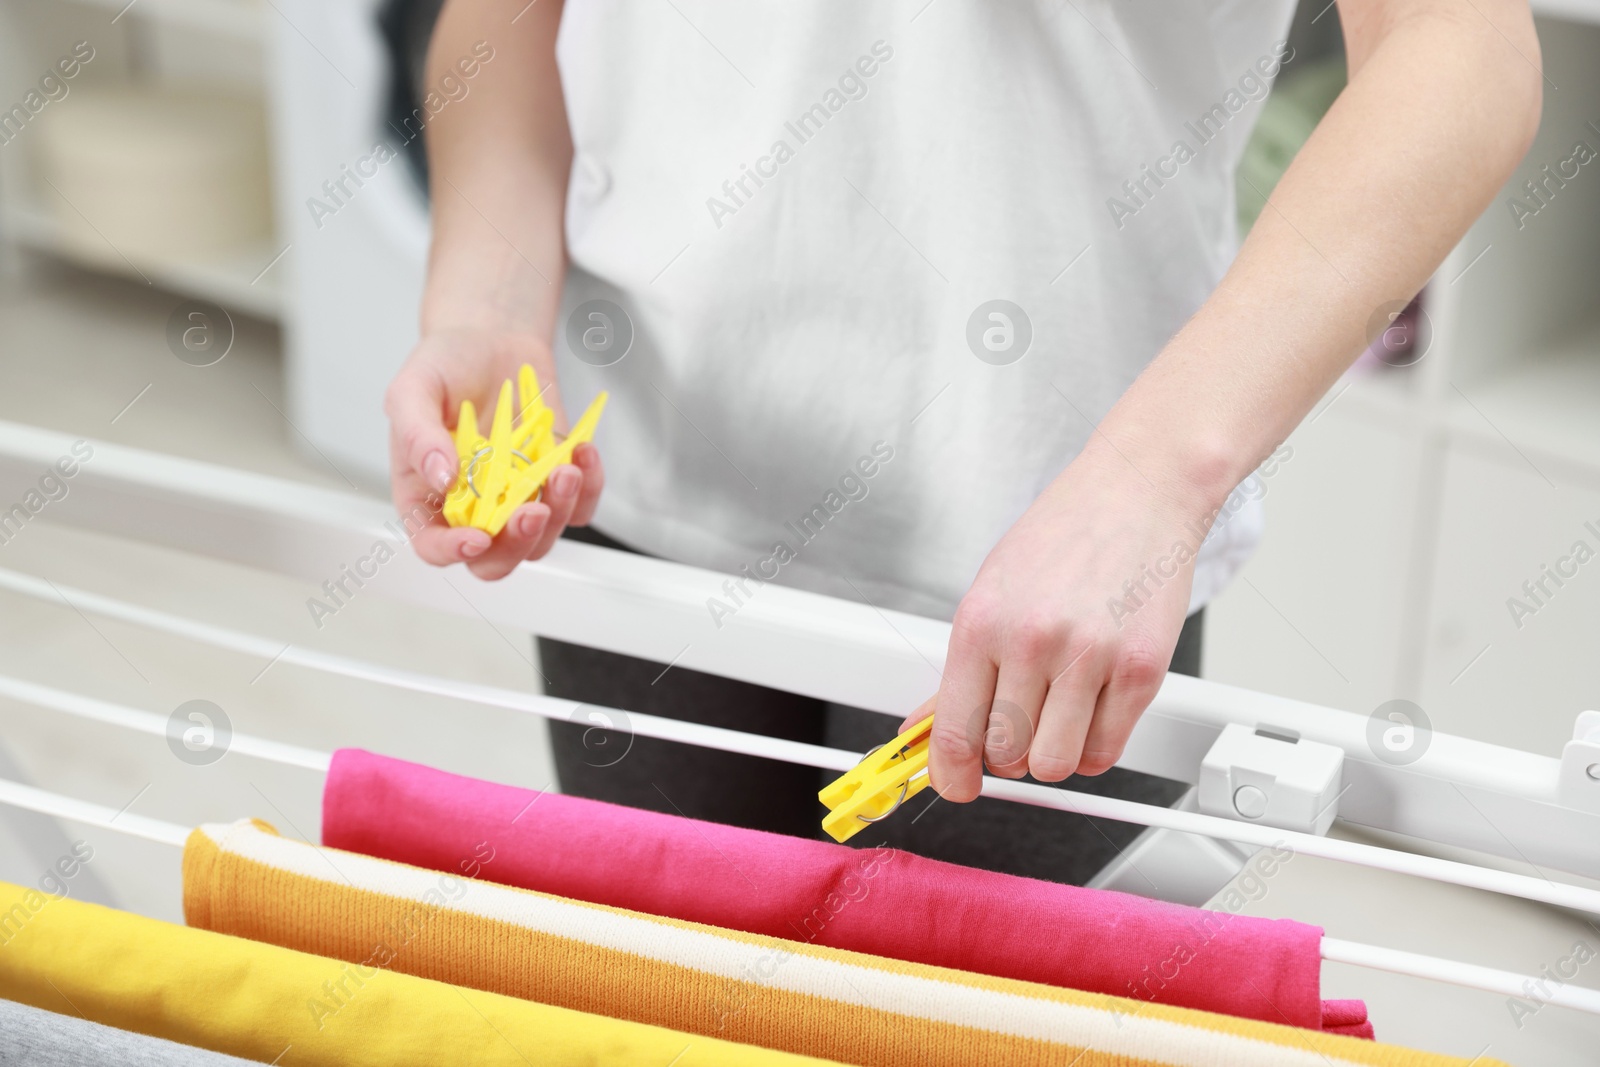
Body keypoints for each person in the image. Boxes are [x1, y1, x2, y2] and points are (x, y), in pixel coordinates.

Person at [384, 0, 1541, 882]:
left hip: (1057, 561)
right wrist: (486, 305)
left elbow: (1460, 50)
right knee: (650, 1016)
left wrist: (1152, 481)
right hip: (633, 488)